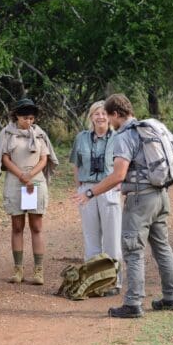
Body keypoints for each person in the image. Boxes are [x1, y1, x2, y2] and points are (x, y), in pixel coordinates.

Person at [72, 94, 173, 318]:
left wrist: (91, 192)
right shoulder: (148, 128)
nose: (108, 122)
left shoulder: (125, 135)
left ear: (114, 114)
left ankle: (132, 303)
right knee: (162, 247)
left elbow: (118, 174)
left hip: (140, 198)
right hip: (160, 194)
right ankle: (171, 297)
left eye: (108, 116)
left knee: (132, 250)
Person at [0, 98, 58, 285]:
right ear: (16, 116)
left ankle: (38, 270)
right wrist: (21, 174)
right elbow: (4, 158)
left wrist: (30, 175)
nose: (28, 121)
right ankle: (18, 269)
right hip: (15, 182)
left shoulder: (39, 134)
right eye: (25, 117)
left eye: (31, 118)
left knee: (36, 226)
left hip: (34, 183)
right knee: (17, 226)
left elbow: (44, 159)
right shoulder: (7, 134)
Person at [69, 100, 122, 296]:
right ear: (91, 117)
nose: (100, 117)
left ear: (109, 116)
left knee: (112, 237)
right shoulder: (81, 138)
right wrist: (79, 188)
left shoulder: (119, 138)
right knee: (91, 237)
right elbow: (76, 164)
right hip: (87, 188)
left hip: (109, 187)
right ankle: (93, 281)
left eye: (103, 113)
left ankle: (114, 281)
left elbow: (125, 165)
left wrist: (120, 186)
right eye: (96, 113)